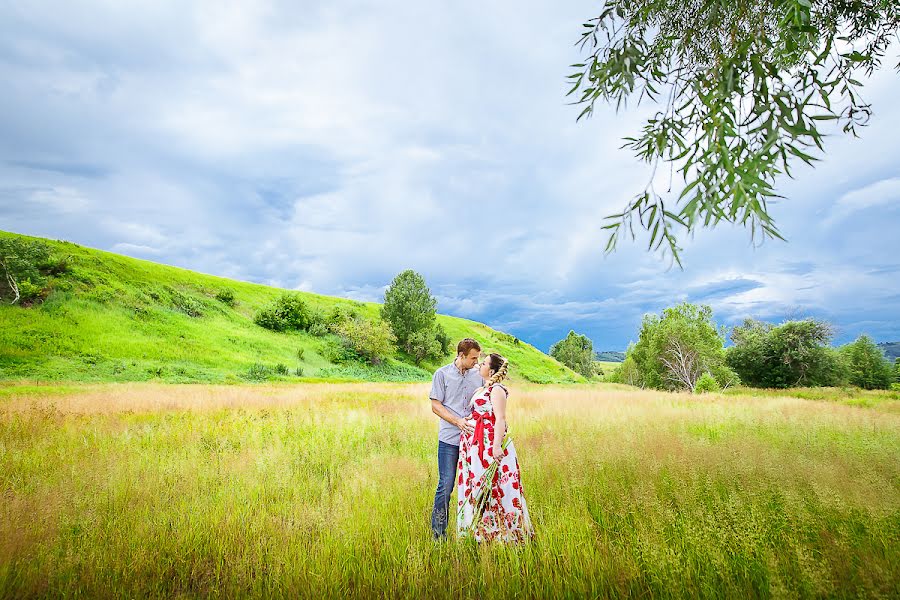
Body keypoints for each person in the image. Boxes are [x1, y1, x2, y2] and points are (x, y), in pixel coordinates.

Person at [456, 353, 534, 543]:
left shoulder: (497, 389)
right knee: (479, 486)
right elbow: (479, 413)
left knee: (497, 486)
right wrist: (469, 420)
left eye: (483, 363)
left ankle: (504, 534)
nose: (479, 365)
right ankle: (481, 533)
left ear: (491, 370)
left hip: (490, 445)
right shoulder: (482, 389)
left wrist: (496, 446)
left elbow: (500, 418)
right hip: (474, 447)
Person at [429, 338, 484, 540]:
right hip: (449, 440)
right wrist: (458, 422)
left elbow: (488, 397)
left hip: (474, 441)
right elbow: (436, 405)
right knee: (445, 485)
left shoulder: (479, 375)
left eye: (478, 358)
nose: (476, 362)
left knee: (477, 486)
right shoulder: (442, 374)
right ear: (461, 355)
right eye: (473, 358)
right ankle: (438, 535)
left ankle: (477, 534)